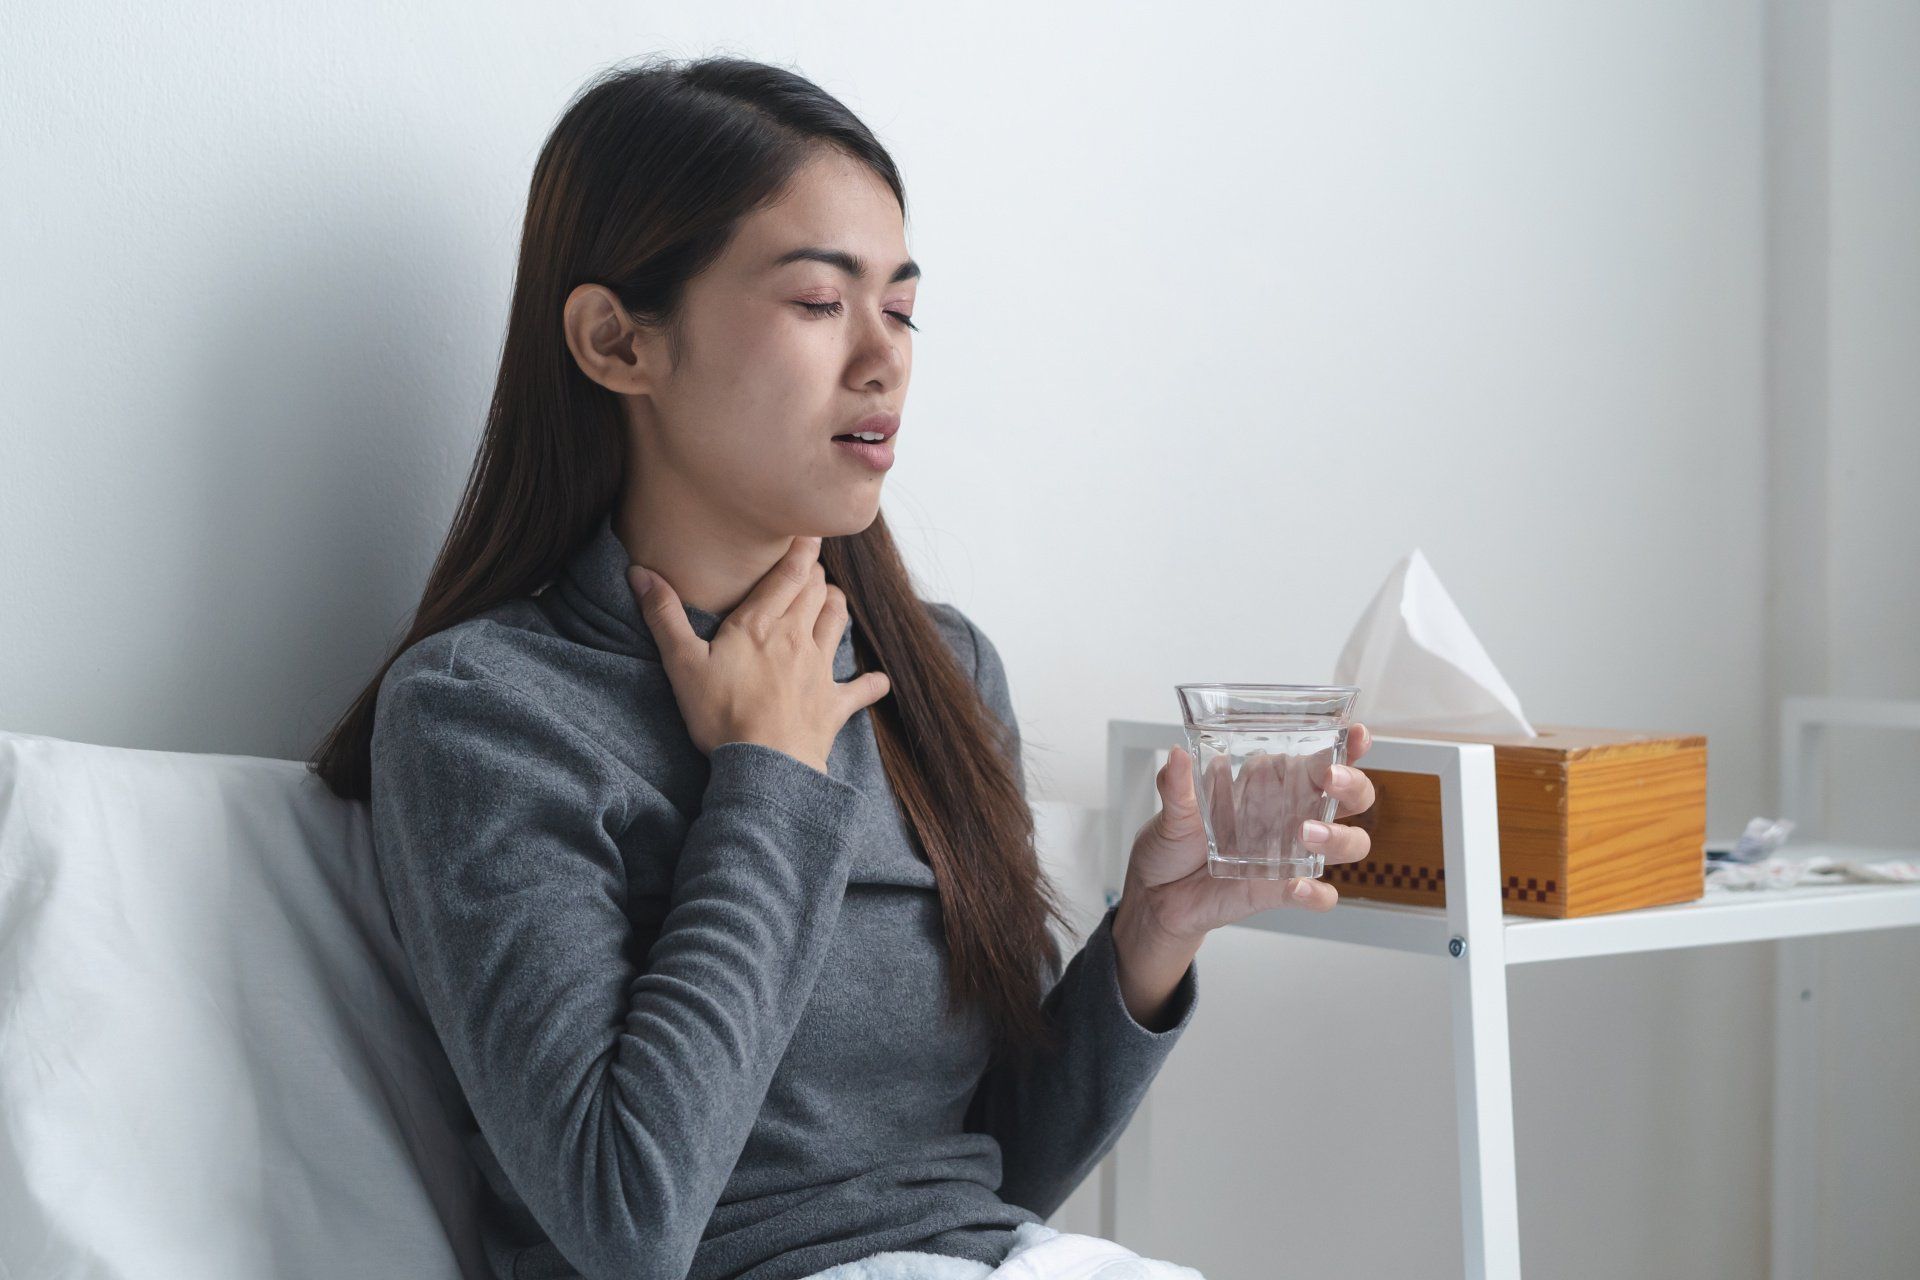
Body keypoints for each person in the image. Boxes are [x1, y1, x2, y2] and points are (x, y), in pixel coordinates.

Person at [309, 55, 1376, 1280]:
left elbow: (988, 1176)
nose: (886, 360)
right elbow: (624, 1217)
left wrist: (1149, 937)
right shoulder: (485, 712)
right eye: (821, 302)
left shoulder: (941, 670)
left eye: (903, 307)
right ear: (616, 342)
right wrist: (769, 774)